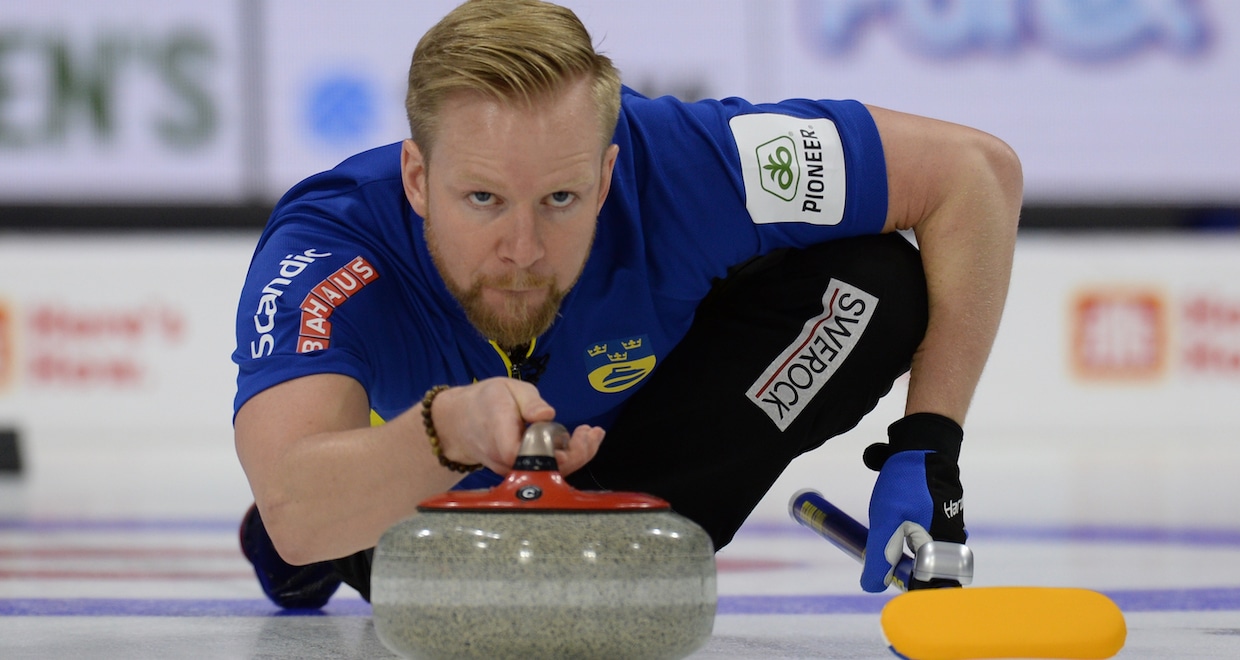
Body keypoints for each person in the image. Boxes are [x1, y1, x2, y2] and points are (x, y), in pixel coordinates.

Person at [232, 0, 1021, 609]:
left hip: (630, 442)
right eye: (481, 198)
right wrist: (454, 429)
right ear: (415, 181)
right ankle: (363, 550)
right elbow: (297, 506)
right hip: (435, 486)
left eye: (561, 197)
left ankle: (632, 531)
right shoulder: (329, 251)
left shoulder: (686, 161)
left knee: (874, 282)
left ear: (609, 175)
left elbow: (975, 175)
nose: (523, 249)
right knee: (322, 530)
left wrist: (928, 444)